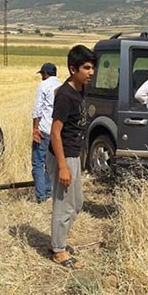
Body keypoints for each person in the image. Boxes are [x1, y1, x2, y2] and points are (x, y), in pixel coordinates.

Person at [46, 45, 96, 268]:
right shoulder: (66, 96)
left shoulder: (78, 90)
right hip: (63, 156)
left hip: (73, 155)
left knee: (75, 203)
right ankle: (58, 250)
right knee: (64, 203)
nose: (91, 72)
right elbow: (55, 132)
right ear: (72, 69)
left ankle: (58, 240)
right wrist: (63, 166)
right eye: (86, 68)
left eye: (92, 67)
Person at [31, 62, 61, 203]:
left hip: (44, 129)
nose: (41, 76)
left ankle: (41, 196)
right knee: (51, 163)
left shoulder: (43, 86)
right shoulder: (61, 86)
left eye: (42, 74)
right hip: (57, 131)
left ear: (45, 73)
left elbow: (37, 109)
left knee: (38, 162)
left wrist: (35, 129)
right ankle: (49, 191)